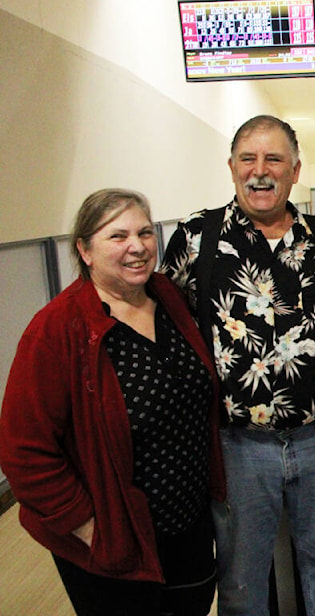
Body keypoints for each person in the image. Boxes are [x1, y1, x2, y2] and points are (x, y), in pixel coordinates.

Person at [161, 115, 315, 616]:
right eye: (249, 159)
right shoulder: (196, 239)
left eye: (274, 159)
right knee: (241, 576)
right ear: (231, 167)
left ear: (295, 171)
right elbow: (169, 333)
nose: (260, 171)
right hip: (236, 446)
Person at [0, 189, 224, 616]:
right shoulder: (56, 330)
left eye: (144, 232)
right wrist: (87, 527)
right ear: (85, 249)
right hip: (116, 541)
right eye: (117, 236)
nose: (136, 246)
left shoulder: (169, 299)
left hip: (188, 526)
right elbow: (23, 450)